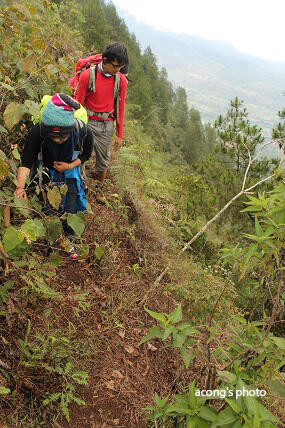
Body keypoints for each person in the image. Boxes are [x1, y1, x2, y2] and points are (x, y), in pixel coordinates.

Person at [15, 93, 93, 258]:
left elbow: (86, 155)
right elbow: (26, 162)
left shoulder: (82, 130)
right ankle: (53, 249)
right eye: (54, 136)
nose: (58, 140)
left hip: (70, 172)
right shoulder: (38, 132)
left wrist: (70, 166)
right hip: (46, 172)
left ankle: (70, 242)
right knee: (49, 210)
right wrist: (20, 187)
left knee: (71, 208)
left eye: (63, 136)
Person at [74, 42, 129, 204]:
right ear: (105, 60)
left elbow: (121, 106)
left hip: (107, 124)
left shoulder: (121, 80)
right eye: (115, 66)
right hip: (88, 121)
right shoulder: (87, 76)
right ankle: (80, 185)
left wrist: (119, 134)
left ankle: (99, 188)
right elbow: (78, 104)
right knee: (80, 155)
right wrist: (75, 126)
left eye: (121, 66)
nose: (118, 70)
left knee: (103, 159)